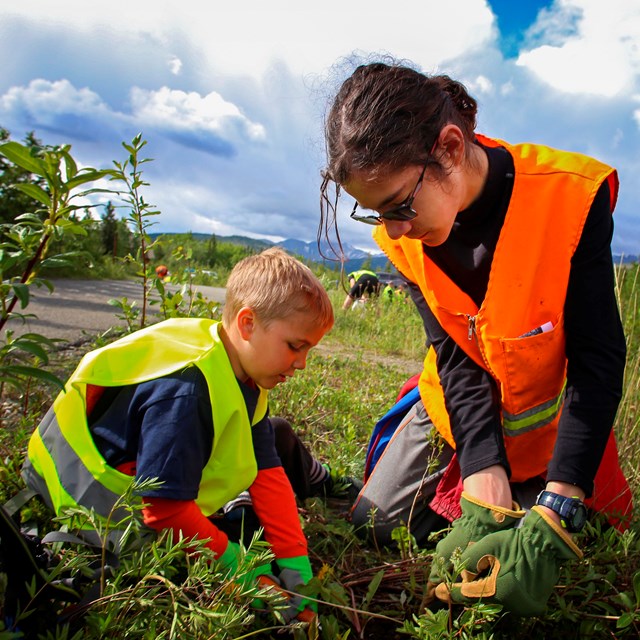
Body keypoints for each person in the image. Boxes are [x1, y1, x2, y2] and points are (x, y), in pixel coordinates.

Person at [319, 59, 631, 616]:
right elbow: (453, 357)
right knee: (376, 526)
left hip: (548, 423)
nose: (394, 232)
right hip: (456, 409)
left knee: (539, 566)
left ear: (450, 148)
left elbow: (597, 360)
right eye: (376, 216)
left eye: (400, 206)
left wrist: (561, 499)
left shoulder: (568, 200)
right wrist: (485, 467)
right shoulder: (406, 240)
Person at [22, 247, 336, 623]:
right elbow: (164, 511)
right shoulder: (186, 392)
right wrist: (245, 572)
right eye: (295, 346)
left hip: (149, 491)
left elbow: (267, 473)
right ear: (247, 322)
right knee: (174, 578)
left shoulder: (242, 364)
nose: (301, 363)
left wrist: (296, 565)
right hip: (89, 493)